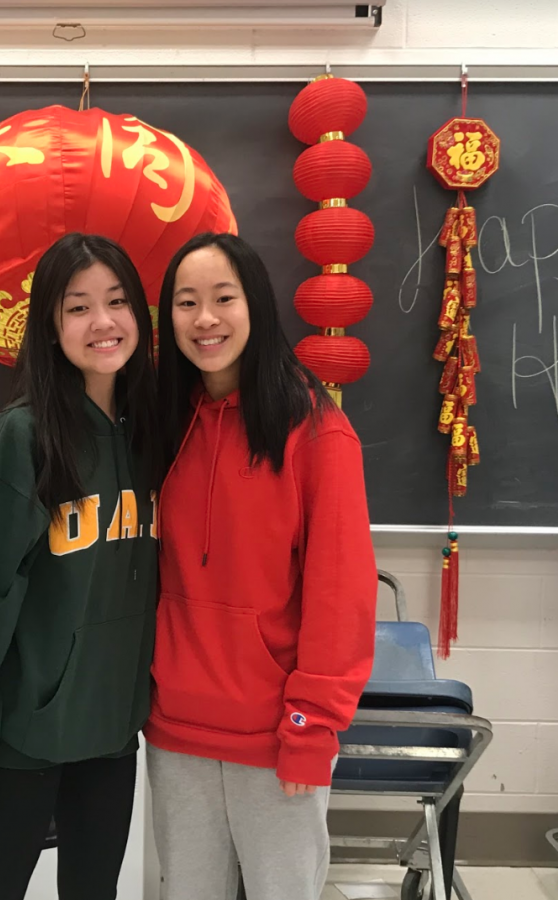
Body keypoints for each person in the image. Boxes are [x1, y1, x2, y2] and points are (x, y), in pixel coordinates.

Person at [0, 233, 160, 900]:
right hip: (20, 736)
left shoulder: (153, 436)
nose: (103, 322)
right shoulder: (21, 439)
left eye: (116, 302)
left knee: (94, 892)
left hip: (110, 733)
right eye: (77, 307)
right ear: (51, 328)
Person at [145, 232, 377, 900]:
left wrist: (311, 726)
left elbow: (340, 592)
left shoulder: (315, 430)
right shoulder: (164, 422)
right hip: (176, 730)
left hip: (276, 735)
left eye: (224, 298)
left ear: (258, 307)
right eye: (186, 303)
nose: (205, 319)